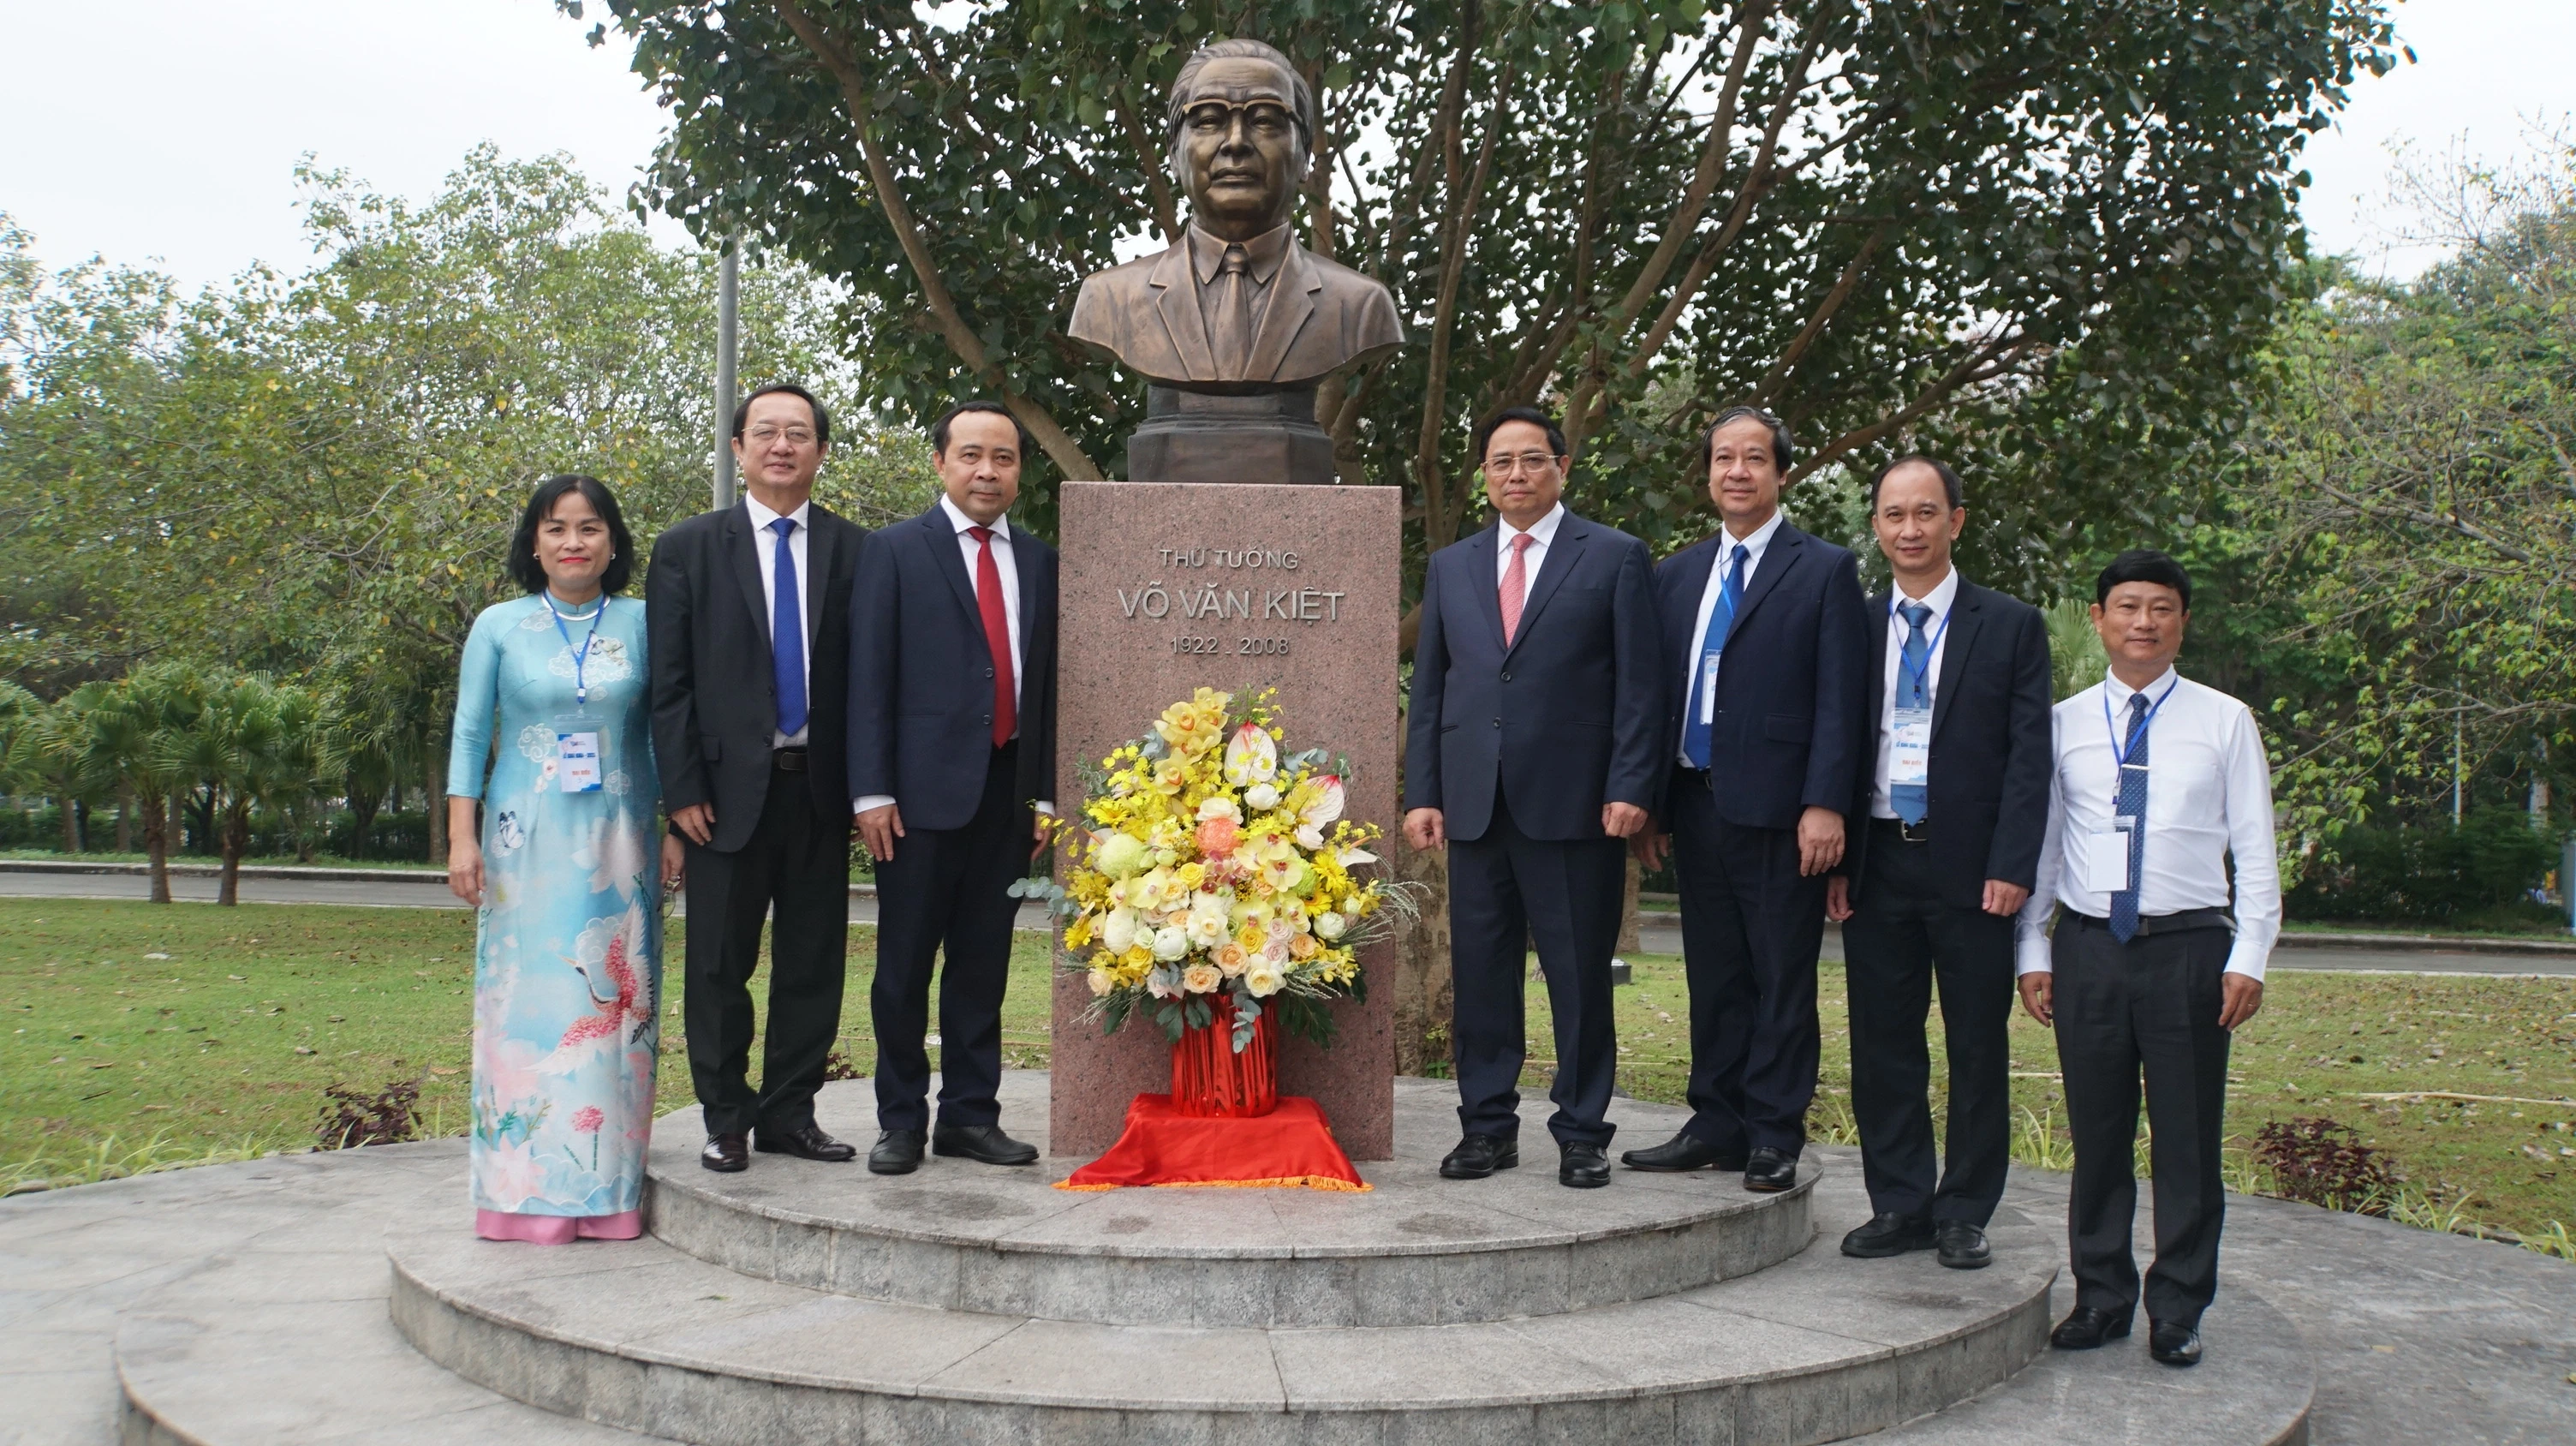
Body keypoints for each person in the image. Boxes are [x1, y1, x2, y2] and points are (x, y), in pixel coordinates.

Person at [2016, 549, 2279, 1368]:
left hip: (2190, 950)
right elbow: (2046, 851)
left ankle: (2178, 1306)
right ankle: (2101, 1295)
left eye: (2161, 608)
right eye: (2127, 606)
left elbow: (2256, 848)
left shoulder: (2224, 720)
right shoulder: (2061, 724)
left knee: (2187, 1138)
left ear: (2181, 622)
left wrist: (2252, 954)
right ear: (2098, 619)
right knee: (2097, 1134)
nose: (2143, 622)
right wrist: (2033, 947)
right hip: (2090, 946)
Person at [1403, 406, 1664, 1190]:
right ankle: (1486, 1129)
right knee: (1482, 976)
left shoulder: (1615, 557)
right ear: (1484, 476)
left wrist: (1630, 785)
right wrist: (1425, 792)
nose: (1516, 474)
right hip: (1476, 807)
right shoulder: (1453, 567)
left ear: (1561, 467)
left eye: (1531, 460)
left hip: (1576, 807)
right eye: (1500, 463)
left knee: (1579, 980)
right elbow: (1434, 691)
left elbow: (1641, 687)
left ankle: (1583, 1133)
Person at [1625, 406, 1869, 1193]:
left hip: (1783, 812)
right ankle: (1717, 1122)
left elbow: (1841, 698)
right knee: (1716, 974)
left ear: (1781, 473)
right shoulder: (1679, 573)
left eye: (1755, 458)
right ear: (1708, 475)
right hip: (1695, 804)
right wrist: (1652, 801)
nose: (1738, 471)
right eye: (1724, 458)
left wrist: (1826, 803)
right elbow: (1659, 694)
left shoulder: (1824, 567)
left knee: (1780, 976)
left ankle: (1773, 1131)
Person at [1822, 457, 2053, 1270]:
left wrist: (2014, 864)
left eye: (1926, 514)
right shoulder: (1852, 620)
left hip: (1974, 870)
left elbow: (2031, 759)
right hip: (1878, 858)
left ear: (1956, 520)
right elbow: (1839, 742)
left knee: (1975, 1046)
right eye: (1893, 515)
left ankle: (1964, 1209)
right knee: (1883, 1041)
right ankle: (1900, 1204)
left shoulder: (2010, 624)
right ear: (1877, 527)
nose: (1909, 530)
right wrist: (1840, 853)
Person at [448, 475, 677, 1243]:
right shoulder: (500, 626)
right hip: (525, 845)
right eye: (556, 529)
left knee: (619, 1005)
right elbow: (471, 735)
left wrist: (676, 822)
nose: (573, 542)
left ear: (614, 541)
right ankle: (523, 1199)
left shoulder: (646, 623)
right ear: (534, 542)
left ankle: (608, 1195)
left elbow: (662, 729)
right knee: (532, 1005)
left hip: (621, 843)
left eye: (588, 528)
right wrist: (460, 837)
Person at [648, 382, 866, 1174]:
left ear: (820, 451)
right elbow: (668, 686)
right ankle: (725, 1117)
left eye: (799, 433)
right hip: (719, 798)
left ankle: (789, 1115)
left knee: (813, 963)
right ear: (737, 448)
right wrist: (679, 794)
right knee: (717, 965)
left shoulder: (857, 551)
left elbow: (871, 683)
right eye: (765, 432)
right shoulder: (687, 549)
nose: (782, 445)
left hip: (819, 790)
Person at [846, 402, 1058, 1174]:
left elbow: (1047, 689)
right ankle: (900, 1121)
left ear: (1019, 472)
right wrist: (870, 791)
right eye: (971, 455)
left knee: (982, 967)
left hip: (1006, 800)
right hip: (914, 802)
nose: (987, 471)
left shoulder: (1040, 562)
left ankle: (970, 1116)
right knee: (903, 968)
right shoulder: (894, 552)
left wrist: (1044, 794)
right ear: (940, 463)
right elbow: (867, 677)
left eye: (1003, 458)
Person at [1068, 38, 1403, 390]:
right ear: (1174, 154)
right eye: (1210, 120)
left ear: (1304, 154)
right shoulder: (1108, 300)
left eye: (1265, 120)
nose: (1236, 142)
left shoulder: (1361, 308)